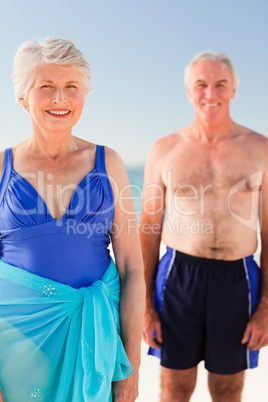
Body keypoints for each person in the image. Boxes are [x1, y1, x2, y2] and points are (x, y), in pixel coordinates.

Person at [0, 36, 145, 402]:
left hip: (93, 343)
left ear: (85, 94)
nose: (59, 99)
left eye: (71, 87)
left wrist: (131, 369)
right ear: (22, 97)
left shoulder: (108, 162)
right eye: (45, 87)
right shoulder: (1, 167)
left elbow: (133, 269)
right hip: (16, 344)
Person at [140, 50, 268, 402]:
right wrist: (146, 306)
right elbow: (149, 229)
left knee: (227, 389)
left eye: (220, 84)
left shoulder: (260, 149)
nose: (210, 94)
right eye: (201, 85)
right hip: (178, 275)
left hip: (238, 278)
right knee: (174, 387)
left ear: (234, 90)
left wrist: (266, 308)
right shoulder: (165, 149)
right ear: (188, 91)